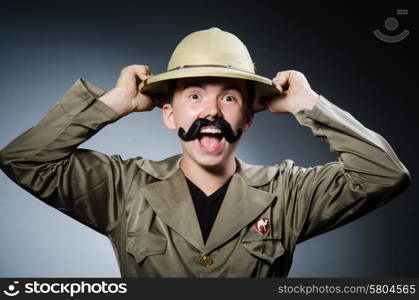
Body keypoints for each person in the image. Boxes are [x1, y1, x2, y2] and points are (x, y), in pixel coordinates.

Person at [0, 28, 410, 277]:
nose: (211, 111)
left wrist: (309, 105)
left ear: (248, 119)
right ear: (168, 114)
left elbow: (385, 175)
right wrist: (115, 102)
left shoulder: (289, 193)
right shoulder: (123, 188)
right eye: (194, 96)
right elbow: (23, 159)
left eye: (229, 98)